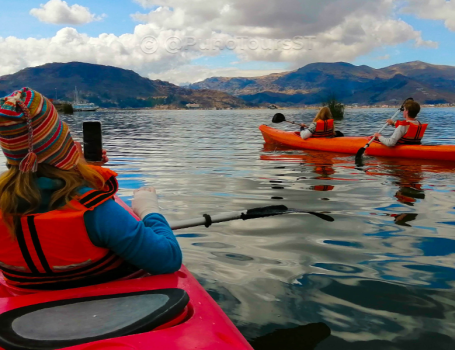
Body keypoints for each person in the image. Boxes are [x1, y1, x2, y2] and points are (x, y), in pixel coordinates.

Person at [0, 88, 182, 292]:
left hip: (26, 316)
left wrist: (81, 168)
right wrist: (149, 209)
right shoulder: (97, 211)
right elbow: (169, 259)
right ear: (62, 144)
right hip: (111, 313)